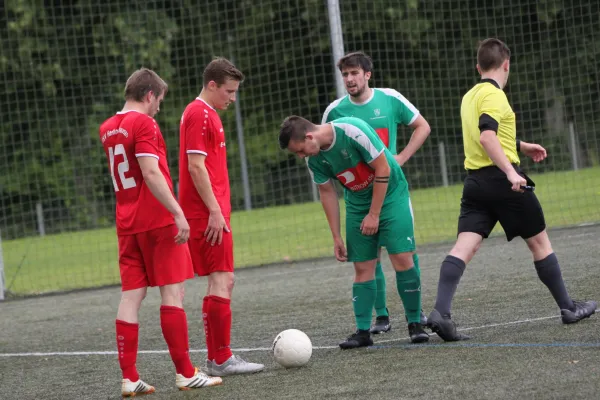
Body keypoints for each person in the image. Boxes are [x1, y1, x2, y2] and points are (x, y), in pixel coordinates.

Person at [426, 38, 597, 341]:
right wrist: (510, 171)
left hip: (475, 184)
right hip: (504, 181)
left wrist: (522, 146)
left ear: (478, 66)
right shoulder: (496, 95)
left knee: (465, 246)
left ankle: (441, 311)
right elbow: (487, 138)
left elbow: (488, 135)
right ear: (506, 64)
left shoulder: (470, 96)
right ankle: (569, 308)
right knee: (540, 243)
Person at [99, 68, 222, 396]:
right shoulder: (144, 123)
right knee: (172, 293)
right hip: (156, 220)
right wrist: (177, 213)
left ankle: (129, 377)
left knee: (131, 296)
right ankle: (185, 373)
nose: (159, 108)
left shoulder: (108, 128)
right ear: (149, 94)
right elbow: (151, 173)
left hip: (126, 223)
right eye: (159, 101)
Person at [279, 115, 429, 348]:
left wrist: (375, 214)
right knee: (362, 266)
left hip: (391, 195)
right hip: (358, 205)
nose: (301, 156)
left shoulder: (352, 130)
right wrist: (336, 236)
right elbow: (327, 193)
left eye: (300, 150)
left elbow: (383, 168)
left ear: (309, 137)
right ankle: (362, 331)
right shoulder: (313, 160)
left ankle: (415, 323)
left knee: (401, 257)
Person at [322, 51, 431, 334]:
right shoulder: (334, 111)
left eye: (354, 73)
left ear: (367, 74)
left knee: (403, 251)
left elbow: (422, 126)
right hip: (359, 195)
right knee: (370, 256)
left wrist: (401, 158)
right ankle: (381, 316)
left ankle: (415, 313)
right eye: (345, 74)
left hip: (391, 189)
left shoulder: (390, 98)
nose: (349, 79)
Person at [178, 58, 264, 375]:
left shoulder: (206, 113)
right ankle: (221, 358)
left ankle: (218, 358)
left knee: (223, 280)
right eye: (229, 91)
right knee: (222, 279)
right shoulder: (200, 113)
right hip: (207, 213)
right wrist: (214, 209)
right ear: (212, 85)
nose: (233, 97)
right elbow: (195, 166)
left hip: (211, 211)